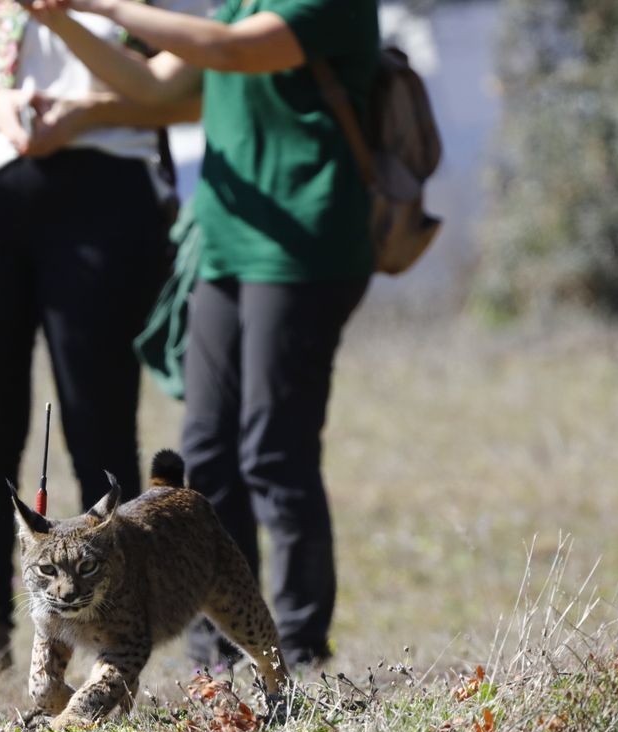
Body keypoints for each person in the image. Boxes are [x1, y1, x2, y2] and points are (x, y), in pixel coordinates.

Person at [30, 0, 379, 669]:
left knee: (275, 452)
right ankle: (213, 655)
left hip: (303, 247)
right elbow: (157, 88)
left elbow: (229, 51)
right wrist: (55, 18)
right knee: (207, 453)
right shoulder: (239, 3)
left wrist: (97, 3)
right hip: (220, 247)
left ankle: (298, 649)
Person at [0, 0, 205, 670]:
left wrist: (86, 113)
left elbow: (188, 92)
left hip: (106, 189)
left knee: (98, 424)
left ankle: (116, 619)